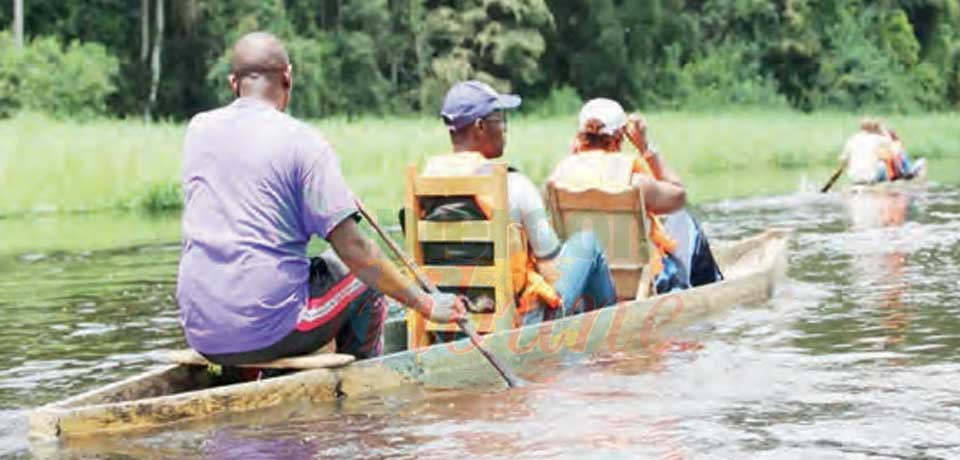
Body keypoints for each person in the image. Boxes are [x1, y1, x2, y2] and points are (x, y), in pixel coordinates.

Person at [176, 32, 464, 366]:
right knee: (365, 279)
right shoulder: (304, 142)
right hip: (268, 330)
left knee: (320, 271)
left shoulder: (199, 129)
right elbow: (354, 250)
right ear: (288, 77)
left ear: (232, 83)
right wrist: (426, 305)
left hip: (200, 331)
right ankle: (362, 387)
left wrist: (329, 190)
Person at [422, 80, 617, 326]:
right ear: (480, 126)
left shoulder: (426, 185)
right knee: (588, 244)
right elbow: (552, 271)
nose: (504, 128)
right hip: (520, 320)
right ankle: (610, 335)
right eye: (500, 119)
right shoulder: (513, 184)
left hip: (452, 316)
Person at [558, 98, 722, 294]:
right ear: (619, 138)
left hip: (588, 281)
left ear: (579, 138)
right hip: (642, 283)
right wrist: (645, 147)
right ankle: (712, 290)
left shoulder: (560, 180)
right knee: (685, 221)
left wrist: (572, 156)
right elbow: (679, 196)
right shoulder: (634, 183)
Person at [840, 118, 923, 183]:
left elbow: (843, 160)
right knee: (882, 165)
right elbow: (891, 142)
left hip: (854, 177)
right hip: (870, 177)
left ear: (859, 128)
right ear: (871, 130)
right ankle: (903, 174)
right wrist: (883, 130)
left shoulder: (851, 140)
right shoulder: (875, 138)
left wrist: (848, 162)